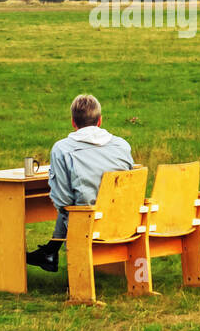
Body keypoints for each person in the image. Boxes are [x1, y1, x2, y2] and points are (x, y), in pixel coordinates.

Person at [27, 93, 133, 273]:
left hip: (88, 221)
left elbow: (62, 200)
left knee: (72, 205)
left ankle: (51, 251)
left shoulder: (62, 148)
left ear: (73, 122)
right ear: (100, 121)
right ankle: (50, 251)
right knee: (75, 203)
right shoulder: (122, 145)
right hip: (123, 218)